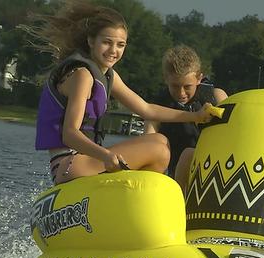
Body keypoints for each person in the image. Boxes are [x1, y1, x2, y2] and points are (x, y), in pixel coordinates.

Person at [26, 1, 212, 185]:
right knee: (159, 150)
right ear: (91, 41)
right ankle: (134, 196)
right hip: (68, 165)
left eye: (120, 45)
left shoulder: (108, 76)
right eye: (107, 42)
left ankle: (133, 197)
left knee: (159, 140)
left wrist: (195, 116)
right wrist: (106, 155)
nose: (113, 51)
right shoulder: (82, 76)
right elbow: (69, 134)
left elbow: (146, 109)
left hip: (88, 161)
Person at [144, 44, 227, 191]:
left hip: (210, 169)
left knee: (188, 154)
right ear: (166, 79)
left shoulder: (216, 96)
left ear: (199, 78)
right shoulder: (158, 106)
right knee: (183, 154)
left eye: (187, 86)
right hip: (172, 175)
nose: (181, 93)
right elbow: (147, 142)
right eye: (175, 86)